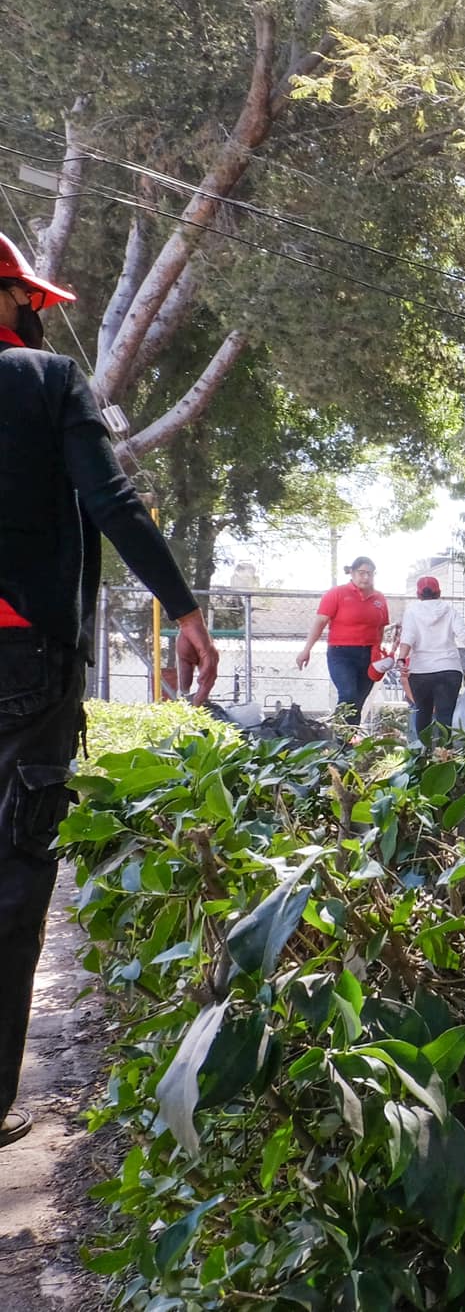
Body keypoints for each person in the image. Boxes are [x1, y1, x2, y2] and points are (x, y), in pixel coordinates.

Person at [0, 232, 219, 1148]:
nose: (35, 314)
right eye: (28, 301)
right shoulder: (45, 380)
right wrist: (182, 608)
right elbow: (111, 499)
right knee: (12, 872)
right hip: (23, 661)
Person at [296, 556, 388, 724]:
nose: (366, 577)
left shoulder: (379, 598)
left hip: (369, 655)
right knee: (348, 694)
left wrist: (377, 649)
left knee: (359, 700)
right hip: (341, 653)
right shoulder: (337, 593)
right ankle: (339, 735)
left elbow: (381, 627)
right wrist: (306, 649)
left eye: (370, 573)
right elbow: (320, 622)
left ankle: (349, 743)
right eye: (361, 573)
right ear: (352, 573)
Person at [396, 576, 465, 742]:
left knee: (422, 711)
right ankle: (445, 754)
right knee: (446, 713)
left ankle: (423, 753)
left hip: (421, 670)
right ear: (439, 593)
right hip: (449, 668)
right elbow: (464, 636)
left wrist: (401, 659)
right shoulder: (449, 610)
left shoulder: (412, 612)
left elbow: (408, 637)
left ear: (418, 594)